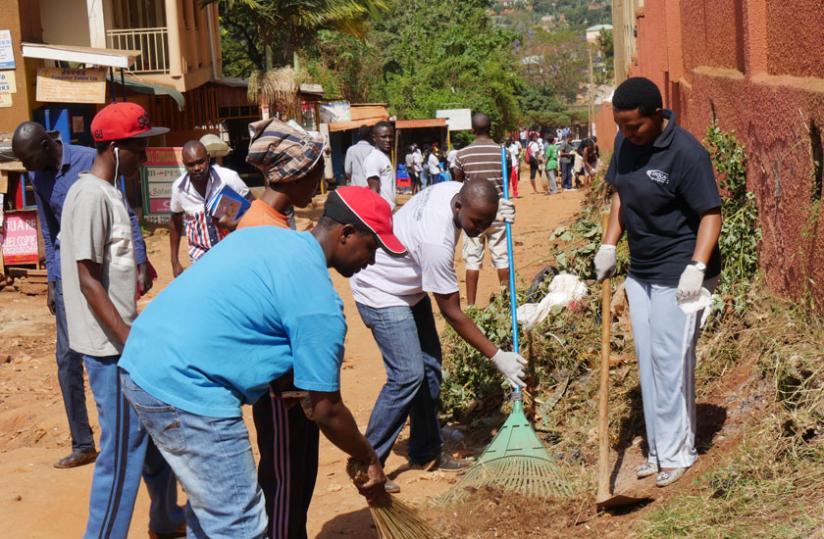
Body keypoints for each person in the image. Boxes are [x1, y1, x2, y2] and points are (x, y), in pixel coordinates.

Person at [118, 186, 402, 538]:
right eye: (371, 247)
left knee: (211, 514)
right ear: (345, 234)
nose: (371, 261)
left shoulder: (268, 236)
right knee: (240, 524)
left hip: (141, 362)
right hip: (189, 389)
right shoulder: (319, 304)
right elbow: (327, 410)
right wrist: (369, 456)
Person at [349, 178, 525, 494]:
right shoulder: (437, 241)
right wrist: (498, 356)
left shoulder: (458, 192)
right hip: (380, 289)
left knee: (430, 370)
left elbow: (478, 207)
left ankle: (426, 452)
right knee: (407, 376)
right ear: (458, 207)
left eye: (486, 223)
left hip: (408, 287)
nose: (479, 229)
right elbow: (453, 313)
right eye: (476, 222)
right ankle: (367, 462)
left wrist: (498, 217)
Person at [58, 102, 184, 538]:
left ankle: (167, 519)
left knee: (154, 434)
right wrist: (129, 340)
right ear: (113, 148)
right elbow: (88, 280)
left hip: (120, 338)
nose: (145, 157)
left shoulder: (104, 192)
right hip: (110, 348)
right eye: (138, 148)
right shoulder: (92, 195)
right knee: (122, 451)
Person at [594, 76, 722, 488]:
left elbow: (710, 214)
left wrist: (697, 267)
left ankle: (679, 451)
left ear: (657, 114)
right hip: (642, 272)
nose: (627, 133)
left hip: (681, 274)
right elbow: (621, 195)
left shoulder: (686, 153)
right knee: (649, 363)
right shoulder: (626, 145)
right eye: (621, 126)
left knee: (671, 363)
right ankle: (657, 450)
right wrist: (609, 245)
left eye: (634, 125)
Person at [11, 122, 151, 469]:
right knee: (66, 359)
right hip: (67, 277)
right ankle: (83, 443)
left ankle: (130, 433)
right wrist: (51, 283)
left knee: (110, 350)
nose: (28, 168)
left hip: (102, 272)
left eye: (29, 159)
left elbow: (123, 210)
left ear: (47, 143)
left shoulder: (91, 160)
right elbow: (49, 229)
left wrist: (141, 257)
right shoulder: (38, 177)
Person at [236, 118, 326, 539]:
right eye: (317, 167)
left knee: (296, 475)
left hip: (287, 376)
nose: (321, 176)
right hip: (279, 381)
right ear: (297, 174)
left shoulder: (273, 217)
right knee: (285, 479)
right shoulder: (262, 227)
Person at [169, 140, 253, 277]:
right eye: (190, 164)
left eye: (200, 162)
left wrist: (234, 223)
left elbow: (253, 205)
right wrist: (174, 261)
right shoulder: (179, 188)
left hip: (232, 251)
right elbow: (175, 222)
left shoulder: (228, 178)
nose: (197, 168)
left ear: (208, 158)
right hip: (200, 256)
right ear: (184, 165)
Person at [453, 113, 512, 306]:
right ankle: (506, 304)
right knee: (502, 257)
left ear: (472, 130)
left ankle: (471, 306)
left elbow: (457, 184)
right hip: (499, 209)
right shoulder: (503, 152)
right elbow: (508, 176)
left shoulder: (462, 155)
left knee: (472, 259)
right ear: (490, 128)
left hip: (473, 212)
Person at [363, 121, 396, 209]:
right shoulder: (374, 158)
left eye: (391, 137)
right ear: (374, 138)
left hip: (389, 210)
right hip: (382, 211)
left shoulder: (383, 156)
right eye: (383, 137)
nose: (388, 140)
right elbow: (374, 192)